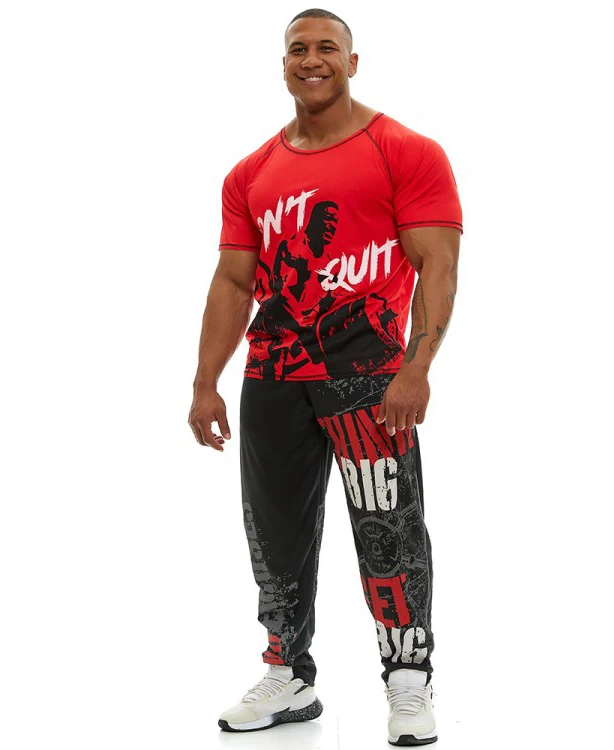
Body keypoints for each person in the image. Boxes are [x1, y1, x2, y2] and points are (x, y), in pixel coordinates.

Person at [188, 8, 463, 746]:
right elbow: (233, 280)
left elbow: (437, 265)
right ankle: (288, 674)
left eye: (327, 48)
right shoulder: (250, 173)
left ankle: (408, 679)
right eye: (298, 49)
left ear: (352, 61)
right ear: (284, 64)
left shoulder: (406, 151)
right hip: (273, 374)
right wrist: (205, 382)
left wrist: (417, 367)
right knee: (274, 531)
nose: (311, 60)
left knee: (388, 529)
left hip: (367, 377)